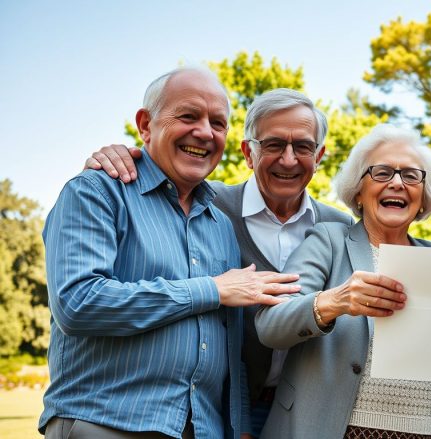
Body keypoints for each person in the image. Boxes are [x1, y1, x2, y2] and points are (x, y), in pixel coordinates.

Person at [40, 67, 302, 439]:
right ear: (145, 125)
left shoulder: (219, 224)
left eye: (218, 123)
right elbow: (77, 302)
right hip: (105, 422)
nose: (205, 132)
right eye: (188, 116)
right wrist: (210, 289)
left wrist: (240, 427)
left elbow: (231, 345)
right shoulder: (97, 192)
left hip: (202, 430)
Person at [84, 88, 354, 437]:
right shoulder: (205, 207)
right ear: (247, 152)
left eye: (302, 147)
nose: (288, 160)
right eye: (272, 145)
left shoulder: (341, 228)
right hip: (221, 411)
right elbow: (149, 184)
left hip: (308, 410)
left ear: (319, 155)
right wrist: (111, 159)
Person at [254, 124, 431, 438]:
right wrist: (332, 302)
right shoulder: (329, 240)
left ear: (423, 196)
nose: (397, 183)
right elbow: (270, 326)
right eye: (382, 173)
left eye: (410, 175)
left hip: (425, 432)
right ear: (359, 191)